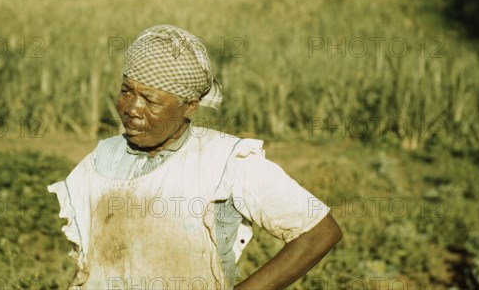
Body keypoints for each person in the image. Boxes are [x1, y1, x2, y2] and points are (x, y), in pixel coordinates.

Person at [48, 25, 342, 290]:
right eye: (127, 91)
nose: (132, 108)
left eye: (150, 99)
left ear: (188, 106)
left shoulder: (226, 161)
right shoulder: (101, 161)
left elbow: (318, 232)